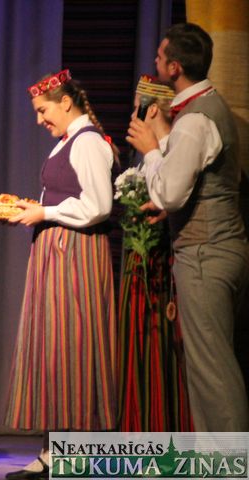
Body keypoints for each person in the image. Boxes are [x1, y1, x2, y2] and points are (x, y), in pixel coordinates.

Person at [126, 23, 249, 432]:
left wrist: (152, 150)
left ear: (174, 67)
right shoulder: (210, 106)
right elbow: (201, 185)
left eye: (160, 57)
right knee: (210, 367)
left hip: (205, 255)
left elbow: (169, 193)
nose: (155, 61)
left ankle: (229, 463)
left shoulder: (196, 120)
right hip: (218, 248)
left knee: (213, 372)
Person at [3, 70, 117, 479]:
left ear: (65, 102)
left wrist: (45, 212)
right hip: (57, 253)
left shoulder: (87, 143)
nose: (39, 120)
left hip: (76, 257)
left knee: (72, 349)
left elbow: (99, 205)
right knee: (54, 349)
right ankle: (52, 451)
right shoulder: (67, 142)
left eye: (43, 110)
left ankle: (70, 456)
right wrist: (31, 209)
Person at [117, 75, 193, 432]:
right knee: (139, 348)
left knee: (160, 348)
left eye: (138, 107)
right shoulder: (148, 157)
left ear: (151, 111)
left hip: (162, 266)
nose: (133, 114)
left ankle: (165, 431)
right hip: (140, 262)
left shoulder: (171, 153)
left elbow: (172, 196)